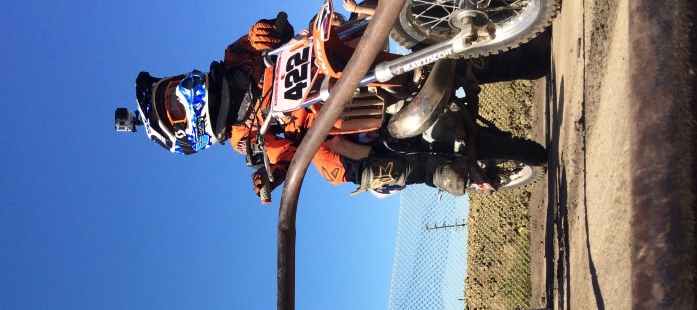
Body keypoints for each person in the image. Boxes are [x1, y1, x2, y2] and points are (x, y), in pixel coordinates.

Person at [114, 13, 472, 200]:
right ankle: (430, 172)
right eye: (174, 107)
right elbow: (284, 153)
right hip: (331, 118)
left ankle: (429, 28)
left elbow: (278, 32)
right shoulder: (243, 139)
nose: (180, 92)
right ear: (187, 132)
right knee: (327, 164)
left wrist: (265, 30)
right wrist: (273, 176)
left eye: (171, 89)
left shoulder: (233, 56)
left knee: (338, 22)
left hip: (329, 61)